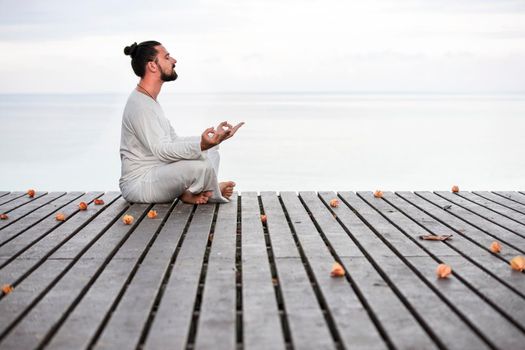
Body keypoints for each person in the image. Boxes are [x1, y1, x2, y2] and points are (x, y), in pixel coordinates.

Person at [119, 40, 243, 204]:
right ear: (152, 66)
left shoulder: (150, 101)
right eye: (167, 57)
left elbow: (173, 141)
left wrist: (212, 140)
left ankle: (195, 191)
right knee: (201, 166)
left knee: (212, 150)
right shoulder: (140, 106)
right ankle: (209, 191)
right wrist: (201, 145)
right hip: (139, 184)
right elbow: (162, 150)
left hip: (158, 174)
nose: (174, 60)